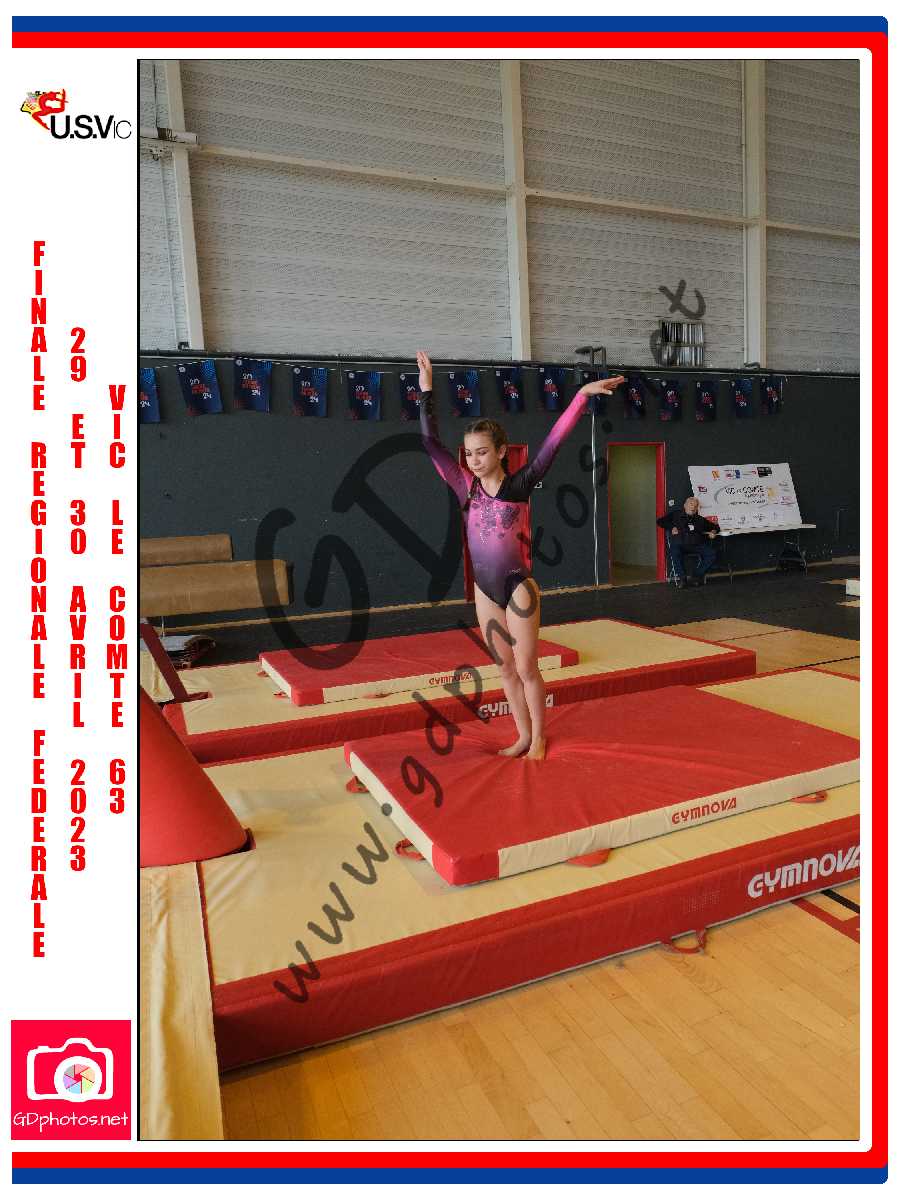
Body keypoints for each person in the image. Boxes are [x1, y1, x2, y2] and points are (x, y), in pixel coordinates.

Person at [417, 350, 624, 759]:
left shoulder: (521, 483)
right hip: (485, 589)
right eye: (469, 453)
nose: (474, 460)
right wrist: (426, 390)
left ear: (501, 451)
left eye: (482, 451)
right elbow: (429, 443)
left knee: (527, 667)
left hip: (517, 587)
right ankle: (523, 735)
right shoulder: (463, 486)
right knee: (504, 667)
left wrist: (581, 397)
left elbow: (553, 443)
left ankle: (540, 737)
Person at [657, 496, 720, 587]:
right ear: (685, 505)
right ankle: (682, 579)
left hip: (696, 545)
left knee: (711, 554)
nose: (693, 507)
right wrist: (671, 527)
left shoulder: (700, 519)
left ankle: (696, 575)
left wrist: (713, 532)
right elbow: (660, 521)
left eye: (695, 505)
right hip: (680, 544)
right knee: (675, 551)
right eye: (691, 504)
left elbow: (715, 527)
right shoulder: (676, 515)